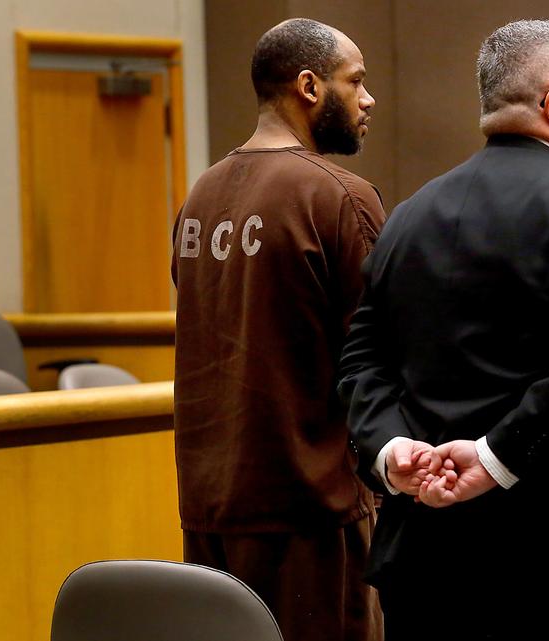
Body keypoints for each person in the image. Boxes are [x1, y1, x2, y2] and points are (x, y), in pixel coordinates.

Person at [338, 19, 549, 640]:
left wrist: (391, 448)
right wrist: (494, 456)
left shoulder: (409, 215)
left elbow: (360, 360)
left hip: (427, 560)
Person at [171, 18, 385, 641]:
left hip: (210, 508)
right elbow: (377, 354)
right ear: (310, 87)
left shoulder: (200, 194)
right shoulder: (338, 196)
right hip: (311, 511)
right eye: (356, 81)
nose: (368, 99)